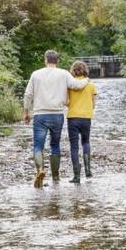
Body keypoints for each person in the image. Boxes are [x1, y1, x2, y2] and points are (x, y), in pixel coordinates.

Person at [23, 50, 90, 188]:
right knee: (54, 146)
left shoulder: (36, 74)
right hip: (57, 115)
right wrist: (86, 80)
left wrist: (26, 112)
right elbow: (76, 86)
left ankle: (40, 170)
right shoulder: (64, 73)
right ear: (57, 61)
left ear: (45, 60)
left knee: (38, 146)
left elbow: (28, 94)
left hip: (40, 114)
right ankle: (55, 177)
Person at [67, 61, 97, 183]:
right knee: (86, 142)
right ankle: (88, 170)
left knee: (74, 147)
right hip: (86, 117)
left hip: (73, 117)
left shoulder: (70, 85)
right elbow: (94, 104)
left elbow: (67, 102)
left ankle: (76, 176)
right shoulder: (91, 85)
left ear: (73, 71)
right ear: (85, 70)